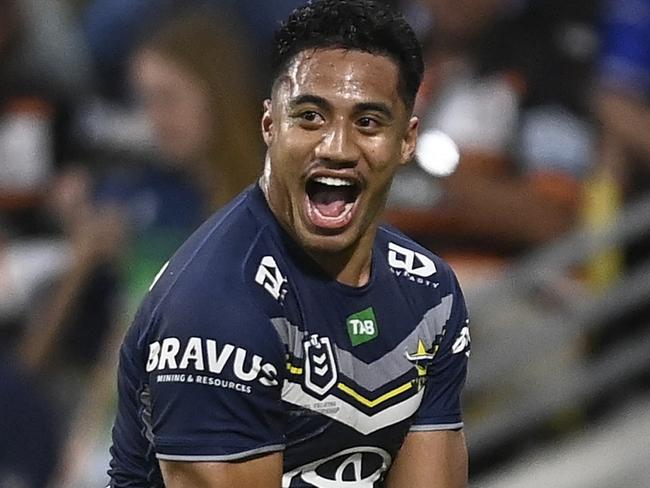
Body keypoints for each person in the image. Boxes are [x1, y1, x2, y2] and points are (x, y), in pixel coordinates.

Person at [107, 1, 471, 487]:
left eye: (367, 122)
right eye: (310, 117)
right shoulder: (216, 310)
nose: (337, 148)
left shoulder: (430, 294)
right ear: (270, 125)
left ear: (406, 141)